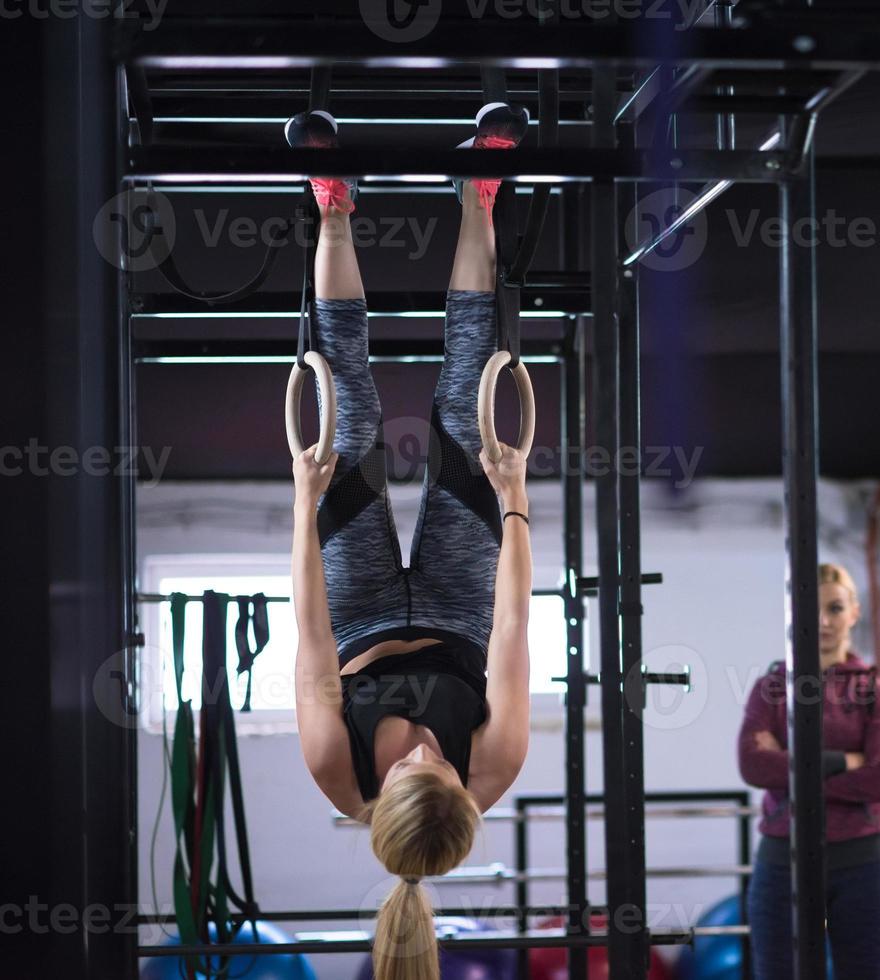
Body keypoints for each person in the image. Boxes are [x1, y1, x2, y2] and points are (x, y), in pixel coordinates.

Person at [286, 103, 534, 980]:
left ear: (378, 796)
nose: (428, 748)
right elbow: (511, 633)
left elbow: (310, 636)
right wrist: (513, 501)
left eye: (412, 765)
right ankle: (476, 196)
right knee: (469, 399)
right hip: (463, 607)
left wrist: (301, 500)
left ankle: (333, 205)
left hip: (353, 615)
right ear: (465, 791)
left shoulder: (334, 766)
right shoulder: (493, 762)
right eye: (443, 764)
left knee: (346, 410)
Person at [738, 563, 880, 980]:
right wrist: (845, 761)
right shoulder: (771, 688)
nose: (823, 621)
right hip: (782, 862)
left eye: (835, 607)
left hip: (861, 864)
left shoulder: (875, 691)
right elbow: (753, 766)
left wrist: (790, 765)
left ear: (854, 613)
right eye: (811, 609)